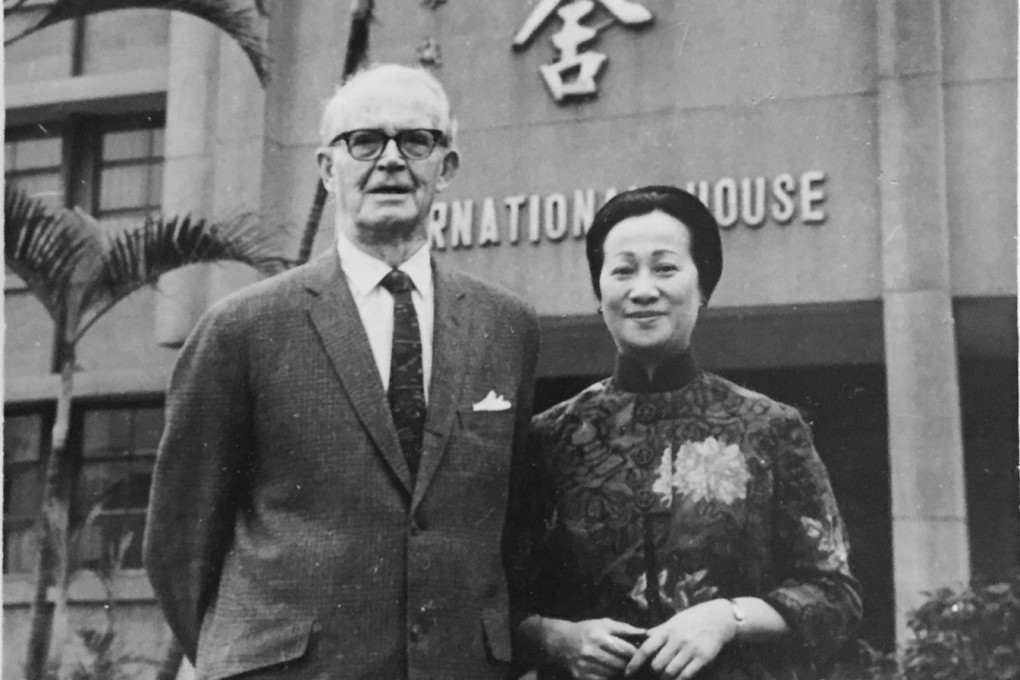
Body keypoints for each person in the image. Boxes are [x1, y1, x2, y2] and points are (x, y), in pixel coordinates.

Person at [144, 64, 540, 679]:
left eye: (416, 140)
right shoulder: (243, 327)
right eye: (364, 142)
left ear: (447, 167)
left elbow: (511, 526)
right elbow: (179, 540)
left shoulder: (507, 325)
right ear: (329, 169)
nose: (390, 161)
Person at [509, 186, 861, 680]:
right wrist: (554, 636)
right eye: (623, 270)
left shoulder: (770, 428)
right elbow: (497, 597)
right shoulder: (548, 438)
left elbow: (834, 596)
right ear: (599, 292)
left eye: (666, 268)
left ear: (704, 287)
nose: (643, 289)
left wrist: (728, 618)